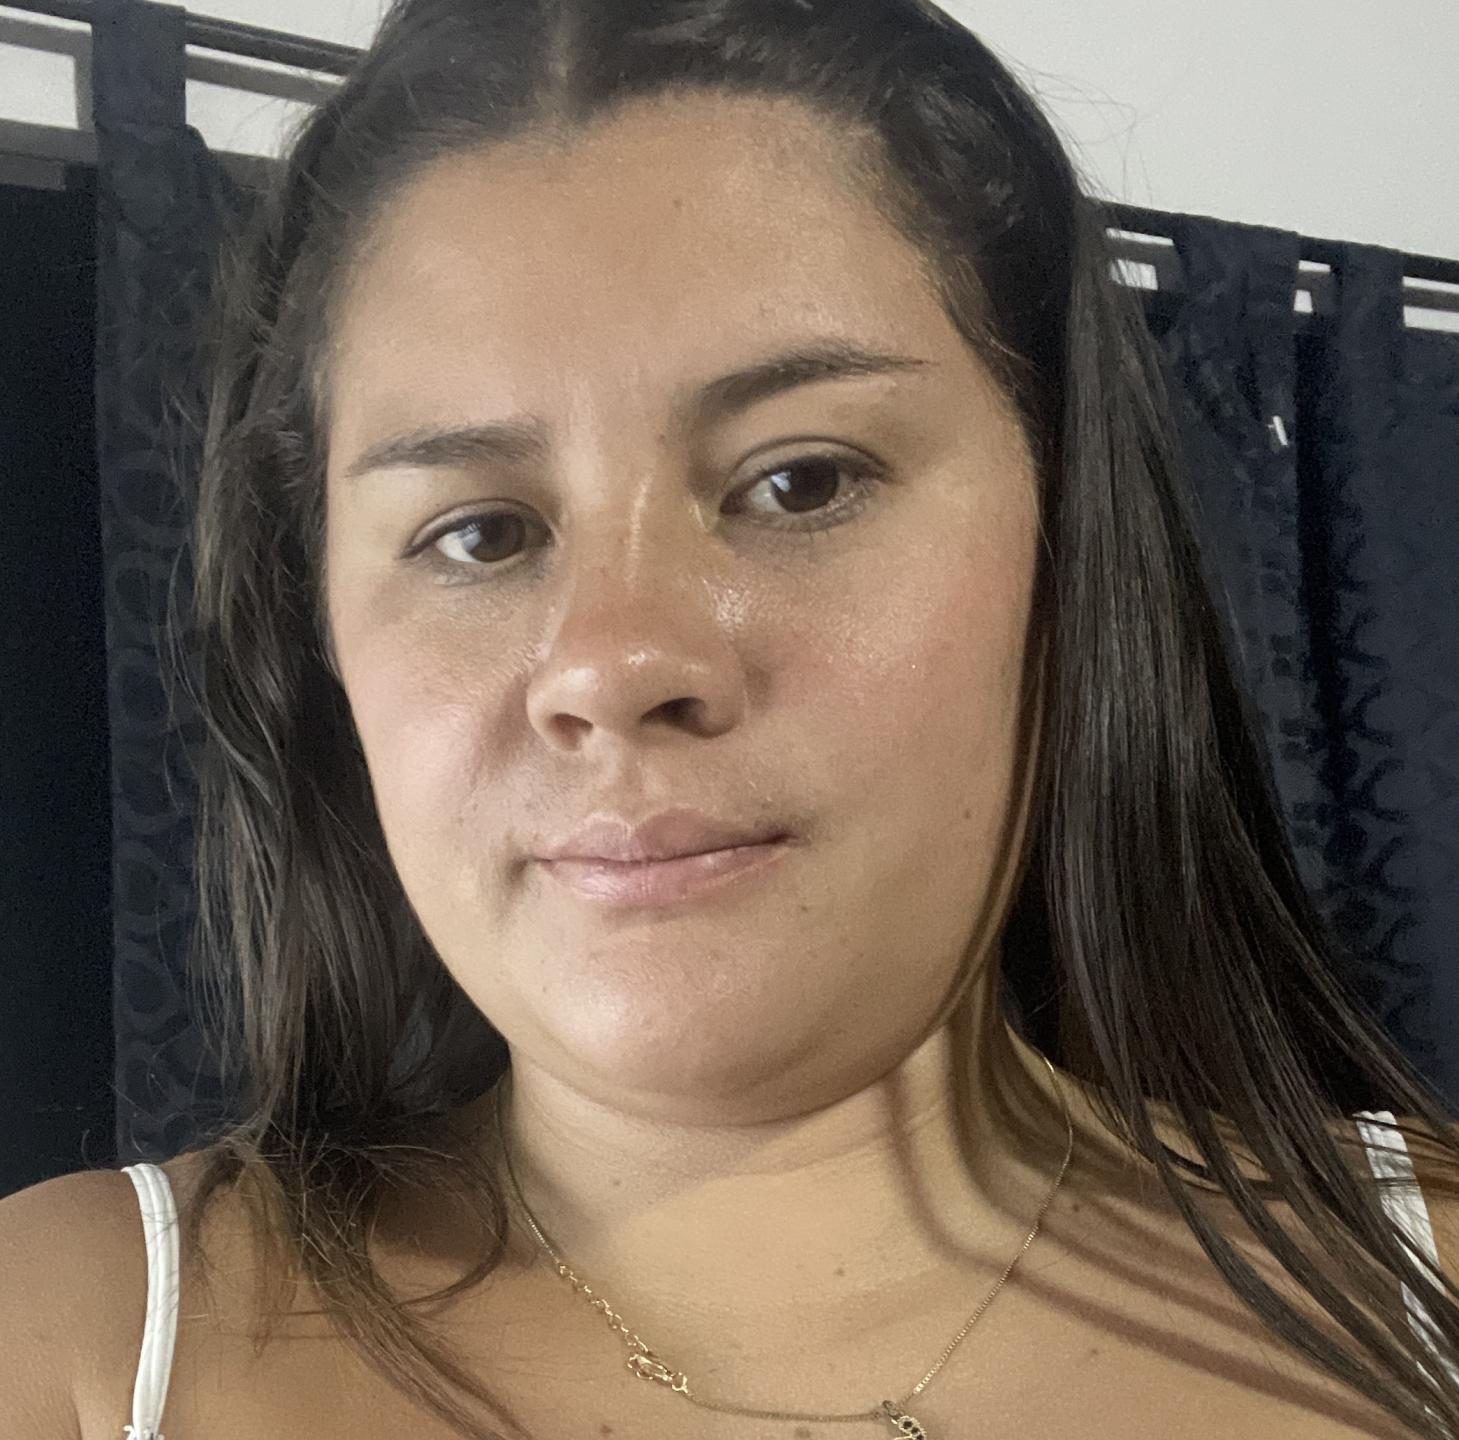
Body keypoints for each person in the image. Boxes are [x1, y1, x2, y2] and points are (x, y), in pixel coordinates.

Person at [4, 1, 1459, 1437]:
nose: (613, 662)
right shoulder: (68, 1343)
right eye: (480, 534)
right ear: (322, 640)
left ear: (1068, 548)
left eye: (800, 481)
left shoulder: (1428, 1284)